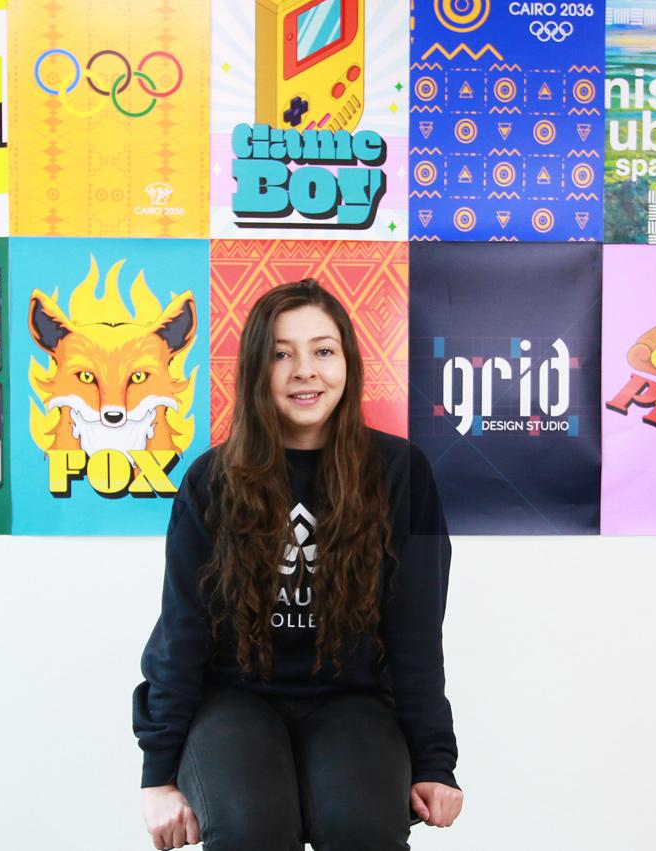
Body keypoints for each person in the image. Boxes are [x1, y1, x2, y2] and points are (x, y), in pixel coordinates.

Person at [132, 279, 464, 850]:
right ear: (257, 371)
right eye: (281, 354)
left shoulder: (401, 472)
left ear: (348, 362)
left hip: (352, 699)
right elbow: (182, 630)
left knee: (361, 829)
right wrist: (157, 776)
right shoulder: (211, 480)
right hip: (234, 697)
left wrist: (435, 760)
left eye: (322, 350)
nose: (304, 370)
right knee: (250, 830)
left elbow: (415, 632)